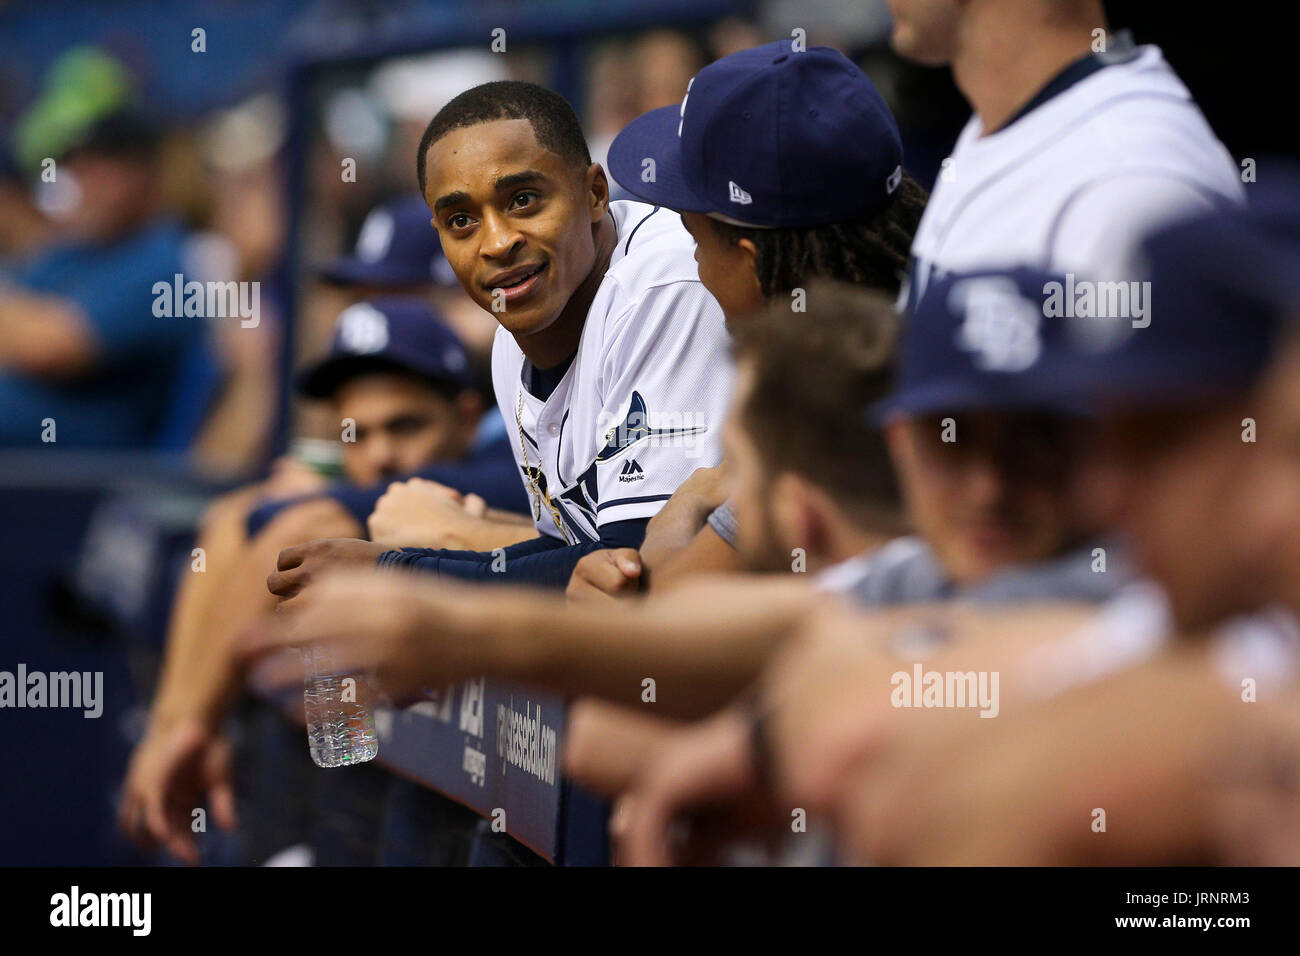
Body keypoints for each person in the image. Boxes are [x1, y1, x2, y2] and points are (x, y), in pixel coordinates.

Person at [622, 184, 1300, 865]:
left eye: (1036, 438)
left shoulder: (1116, 597)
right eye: (953, 441)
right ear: (901, 444)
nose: (991, 485)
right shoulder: (914, 574)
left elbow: (859, 728)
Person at [266, 79, 733, 596]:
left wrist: (398, 572)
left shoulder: (661, 283)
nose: (497, 242)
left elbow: (636, 567)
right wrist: (394, 562)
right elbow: (572, 551)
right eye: (461, 219)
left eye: (524, 200)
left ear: (594, 193)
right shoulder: (512, 341)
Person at [119, 298, 512, 863]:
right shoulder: (348, 500)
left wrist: (184, 726)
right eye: (357, 434)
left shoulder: (506, 468)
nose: (381, 456)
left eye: (407, 426)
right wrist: (176, 723)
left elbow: (296, 524)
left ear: (468, 417)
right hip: (368, 777)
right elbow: (236, 516)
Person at [568, 38, 927, 599]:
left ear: (752, 262)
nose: (693, 263)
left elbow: (649, 624)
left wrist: (678, 519)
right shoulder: (923, 286)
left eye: (695, 240)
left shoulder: (837, 400)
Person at [0, 108, 206, 448]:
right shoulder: (73, 251)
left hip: (87, 475)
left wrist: (28, 325)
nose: (84, 186)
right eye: (78, 171)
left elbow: (48, 347)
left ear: (140, 175)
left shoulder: (162, 266)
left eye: (97, 172)